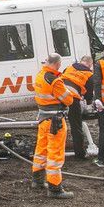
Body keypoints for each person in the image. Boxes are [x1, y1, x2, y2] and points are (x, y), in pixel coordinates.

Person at [30, 53, 76, 199]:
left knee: (41, 150)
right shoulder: (55, 80)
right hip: (55, 121)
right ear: (57, 64)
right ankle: (55, 188)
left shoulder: (40, 75)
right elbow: (68, 100)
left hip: (43, 119)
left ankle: (37, 180)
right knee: (55, 153)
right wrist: (69, 92)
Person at [61, 55, 94, 161]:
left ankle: (56, 149)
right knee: (76, 126)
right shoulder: (89, 74)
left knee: (57, 124)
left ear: (81, 61)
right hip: (72, 98)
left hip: (59, 95)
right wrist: (89, 103)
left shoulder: (69, 67)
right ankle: (80, 153)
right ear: (90, 64)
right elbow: (89, 94)